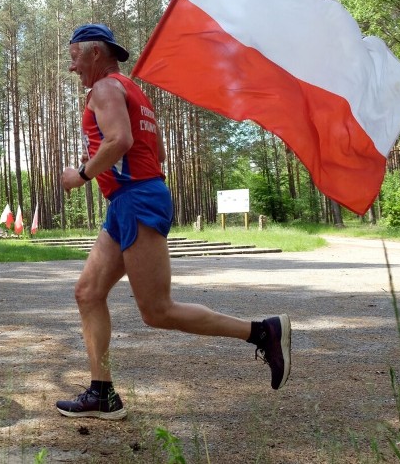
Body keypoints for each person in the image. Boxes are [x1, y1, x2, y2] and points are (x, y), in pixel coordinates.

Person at [56, 24, 291, 420]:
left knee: (157, 311)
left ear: (95, 52)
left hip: (136, 200)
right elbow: (158, 152)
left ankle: (263, 331)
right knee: (88, 293)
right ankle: (102, 393)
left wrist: (80, 175)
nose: (71, 65)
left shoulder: (105, 90)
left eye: (74, 54)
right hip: (128, 201)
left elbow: (119, 141)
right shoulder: (133, 92)